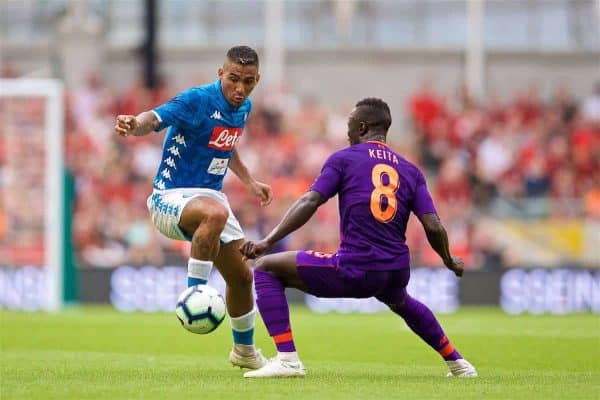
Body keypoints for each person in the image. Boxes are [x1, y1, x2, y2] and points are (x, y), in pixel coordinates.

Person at [240, 98, 478, 378]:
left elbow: (310, 201)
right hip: (395, 270)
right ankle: (459, 364)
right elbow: (434, 225)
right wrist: (448, 259)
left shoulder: (344, 159)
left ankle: (287, 359)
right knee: (401, 301)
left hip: (358, 267)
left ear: (362, 127)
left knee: (267, 267)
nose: (347, 133)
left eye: (350, 126)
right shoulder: (410, 170)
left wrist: (267, 241)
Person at [115, 46, 271, 369]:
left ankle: (244, 352)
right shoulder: (197, 100)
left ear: (256, 80)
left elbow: (227, 146)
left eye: (248, 82)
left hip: (210, 202)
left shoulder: (243, 108)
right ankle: (194, 295)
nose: (240, 88)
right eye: (233, 79)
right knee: (216, 213)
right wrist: (135, 124)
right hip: (170, 198)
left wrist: (250, 182)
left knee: (242, 277)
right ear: (220, 74)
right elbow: (155, 118)